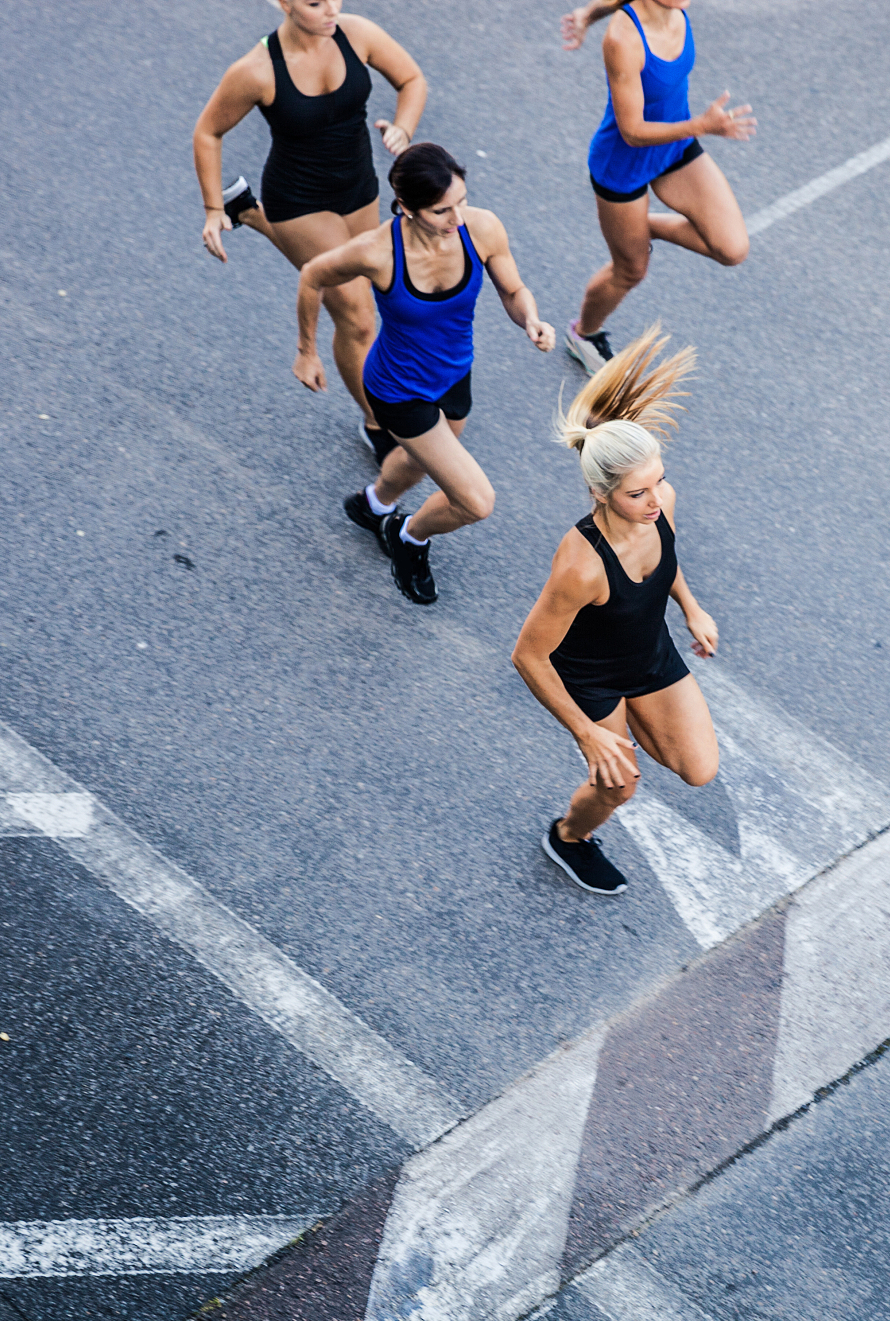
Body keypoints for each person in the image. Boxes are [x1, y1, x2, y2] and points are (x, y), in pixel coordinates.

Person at [295, 143, 557, 604]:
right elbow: (313, 275)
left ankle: (372, 504)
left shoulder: (482, 228)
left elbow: (513, 289)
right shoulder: (377, 251)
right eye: (442, 210)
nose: (458, 218)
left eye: (462, 200)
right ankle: (408, 536)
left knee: (420, 460)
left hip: (456, 373)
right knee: (476, 501)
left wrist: (530, 319)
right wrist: (306, 352)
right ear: (407, 209)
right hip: (399, 389)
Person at [511, 327, 720, 894]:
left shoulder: (661, 506)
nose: (655, 500)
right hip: (591, 677)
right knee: (618, 785)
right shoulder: (581, 568)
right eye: (638, 493)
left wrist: (691, 608)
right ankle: (568, 838)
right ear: (601, 494)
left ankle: (634, 723)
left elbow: (665, 563)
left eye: (659, 482)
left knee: (699, 770)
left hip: (648, 654)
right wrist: (587, 733)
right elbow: (528, 655)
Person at [194, 0, 427, 462]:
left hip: (359, 187)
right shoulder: (257, 71)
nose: (331, 9)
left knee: (369, 290)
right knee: (358, 316)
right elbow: (207, 132)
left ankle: (252, 216)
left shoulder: (355, 33)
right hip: (299, 202)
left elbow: (412, 79)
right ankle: (377, 421)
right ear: (282, 3)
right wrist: (211, 208)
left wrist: (403, 127)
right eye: (315, 2)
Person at [557, 0, 756, 374]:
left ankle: (641, 227)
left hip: (675, 146)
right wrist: (702, 126)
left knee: (733, 249)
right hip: (624, 164)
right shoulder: (622, 38)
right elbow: (631, 132)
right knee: (631, 271)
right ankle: (583, 334)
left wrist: (588, 13)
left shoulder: (674, 7)